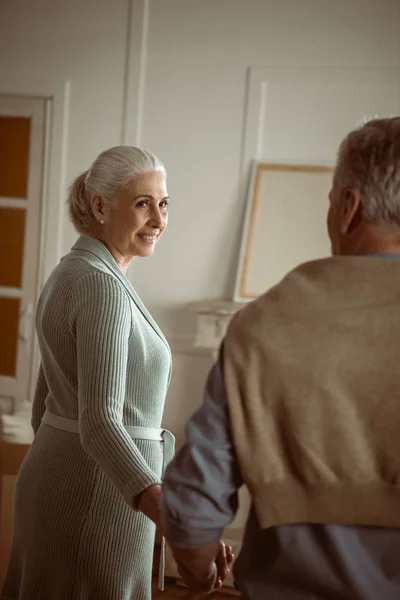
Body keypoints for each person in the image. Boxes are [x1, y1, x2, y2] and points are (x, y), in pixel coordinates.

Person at [161, 116, 400, 599]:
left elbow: (192, 509)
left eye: (332, 199)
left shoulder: (264, 324)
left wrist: (202, 574)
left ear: (348, 208)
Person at [2, 146, 175, 600]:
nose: (158, 219)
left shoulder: (69, 273)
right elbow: (99, 422)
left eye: (163, 203)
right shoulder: (101, 286)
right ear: (100, 206)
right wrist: (171, 513)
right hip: (99, 499)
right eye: (143, 204)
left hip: (73, 483)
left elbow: (45, 407)